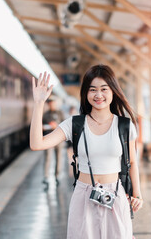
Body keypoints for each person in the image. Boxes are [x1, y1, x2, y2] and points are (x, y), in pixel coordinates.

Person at [30, 65, 143, 239]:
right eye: (93, 90)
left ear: (113, 92)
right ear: (86, 93)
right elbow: (37, 144)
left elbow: (132, 163)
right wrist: (38, 104)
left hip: (115, 195)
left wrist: (137, 194)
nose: (98, 95)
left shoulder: (125, 126)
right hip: (83, 196)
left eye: (104, 89)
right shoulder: (74, 124)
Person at [42, 95, 64, 188]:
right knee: (48, 158)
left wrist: (57, 126)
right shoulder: (45, 114)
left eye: (52, 103)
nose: (51, 104)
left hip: (59, 139)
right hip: (48, 139)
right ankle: (46, 177)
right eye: (49, 103)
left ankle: (57, 175)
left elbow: (65, 124)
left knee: (59, 158)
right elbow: (41, 126)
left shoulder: (60, 113)